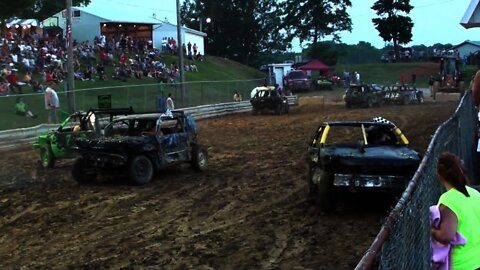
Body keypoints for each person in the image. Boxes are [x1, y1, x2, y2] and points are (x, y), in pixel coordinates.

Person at [431, 151, 480, 270]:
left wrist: (431, 231)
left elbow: (446, 236)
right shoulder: (475, 194)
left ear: (440, 176)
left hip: (461, 265)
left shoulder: (448, 200)